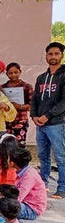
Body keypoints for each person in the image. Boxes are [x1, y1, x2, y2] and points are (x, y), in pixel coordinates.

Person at [31, 42, 65, 200]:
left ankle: (62, 188)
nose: (53, 57)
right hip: (40, 124)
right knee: (43, 156)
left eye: (56, 54)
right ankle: (42, 184)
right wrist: (34, 116)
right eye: (50, 54)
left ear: (61, 55)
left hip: (56, 123)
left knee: (60, 156)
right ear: (46, 56)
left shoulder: (63, 75)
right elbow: (35, 99)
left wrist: (47, 116)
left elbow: (63, 102)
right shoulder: (41, 78)